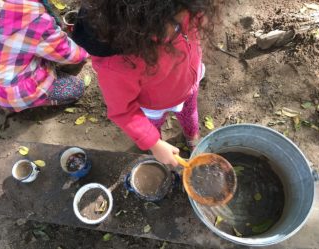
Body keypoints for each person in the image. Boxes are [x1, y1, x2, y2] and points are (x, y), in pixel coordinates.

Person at [73, 0, 214, 166]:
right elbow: (123, 111)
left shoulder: (183, 8)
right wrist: (154, 144)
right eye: (176, 23)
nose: (186, 21)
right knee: (154, 128)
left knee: (190, 113)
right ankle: (160, 146)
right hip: (154, 105)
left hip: (188, 88)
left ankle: (192, 136)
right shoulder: (119, 65)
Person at [0, 0, 89, 112]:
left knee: (39, 47)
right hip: (15, 93)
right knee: (77, 88)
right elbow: (70, 54)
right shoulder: (36, 21)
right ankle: (34, 103)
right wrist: (90, 51)